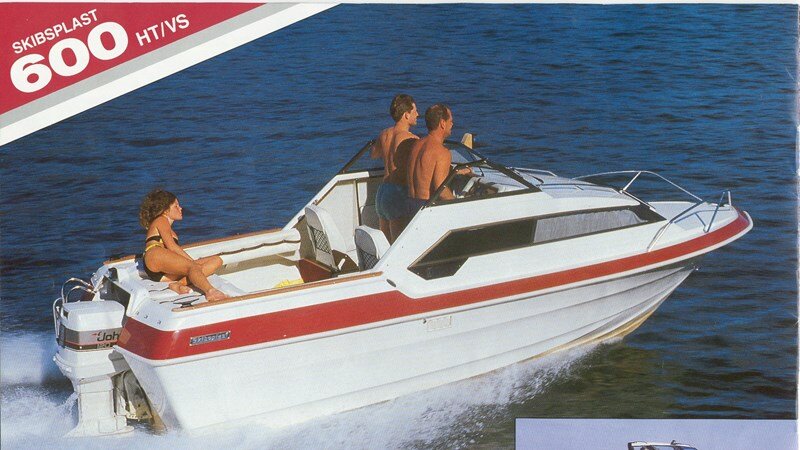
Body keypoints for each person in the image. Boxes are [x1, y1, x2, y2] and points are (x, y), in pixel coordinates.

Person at [139, 189, 228, 302]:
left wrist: (194, 266)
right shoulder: (161, 220)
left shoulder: (168, 227)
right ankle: (210, 291)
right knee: (194, 267)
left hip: (164, 271)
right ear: (165, 211)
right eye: (176, 206)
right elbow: (171, 246)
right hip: (155, 255)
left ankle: (178, 284)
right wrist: (193, 264)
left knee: (216, 260)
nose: (180, 208)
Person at [372, 94, 419, 242]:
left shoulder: (384, 134)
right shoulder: (411, 139)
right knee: (398, 245)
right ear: (406, 115)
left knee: (386, 244)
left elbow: (374, 154)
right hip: (398, 193)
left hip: (383, 192)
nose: (418, 114)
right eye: (415, 111)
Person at [407, 103, 457, 211]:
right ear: (442, 123)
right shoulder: (442, 152)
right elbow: (441, 190)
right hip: (426, 207)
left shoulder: (416, 144)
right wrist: (459, 203)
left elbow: (425, 170)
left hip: (409, 203)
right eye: (450, 121)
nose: (452, 124)